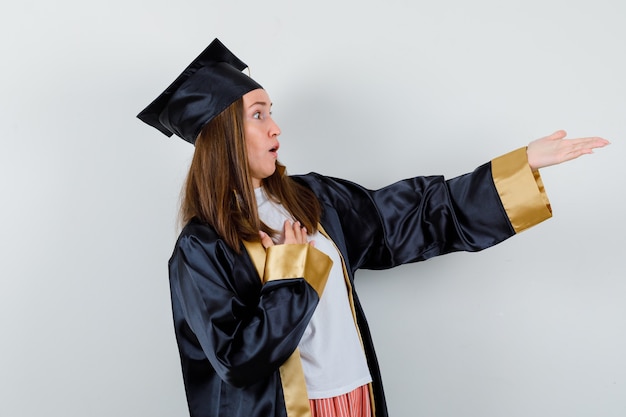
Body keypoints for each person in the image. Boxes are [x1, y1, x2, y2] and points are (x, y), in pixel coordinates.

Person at [137, 38, 609, 417]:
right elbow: (237, 363)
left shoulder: (313, 199)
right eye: (258, 115)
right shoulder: (201, 248)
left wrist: (519, 166)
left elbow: (410, 216)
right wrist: (288, 276)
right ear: (221, 137)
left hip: (357, 396)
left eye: (271, 112)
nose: (276, 127)